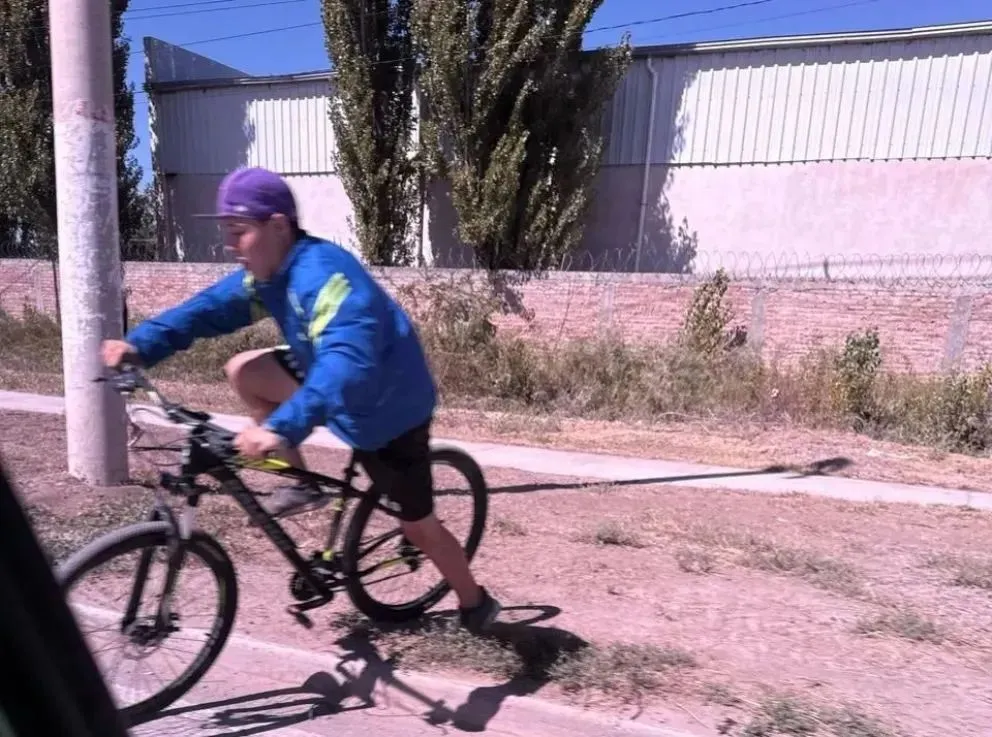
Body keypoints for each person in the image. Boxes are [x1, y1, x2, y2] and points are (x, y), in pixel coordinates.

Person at [100, 166, 501, 634]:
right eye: (227, 233)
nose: (231, 247)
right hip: (330, 376)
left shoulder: (327, 278)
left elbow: (347, 364)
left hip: (388, 409)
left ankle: (475, 602)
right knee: (244, 370)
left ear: (277, 226)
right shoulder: (268, 277)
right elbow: (206, 311)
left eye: (239, 233)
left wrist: (280, 427)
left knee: (419, 527)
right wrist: (141, 344)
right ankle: (302, 484)